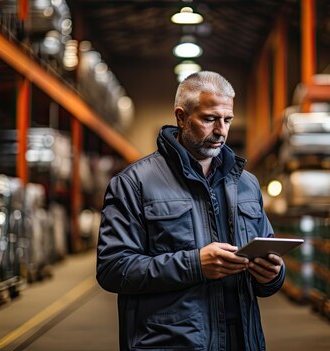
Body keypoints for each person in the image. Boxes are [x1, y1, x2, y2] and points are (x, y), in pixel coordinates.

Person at [96, 71, 285, 351]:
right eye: (209, 119)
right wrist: (196, 265)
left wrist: (272, 276)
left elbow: (265, 255)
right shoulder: (134, 184)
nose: (221, 130)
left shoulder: (246, 184)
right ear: (181, 117)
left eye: (227, 120)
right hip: (170, 344)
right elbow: (113, 268)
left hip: (243, 341)